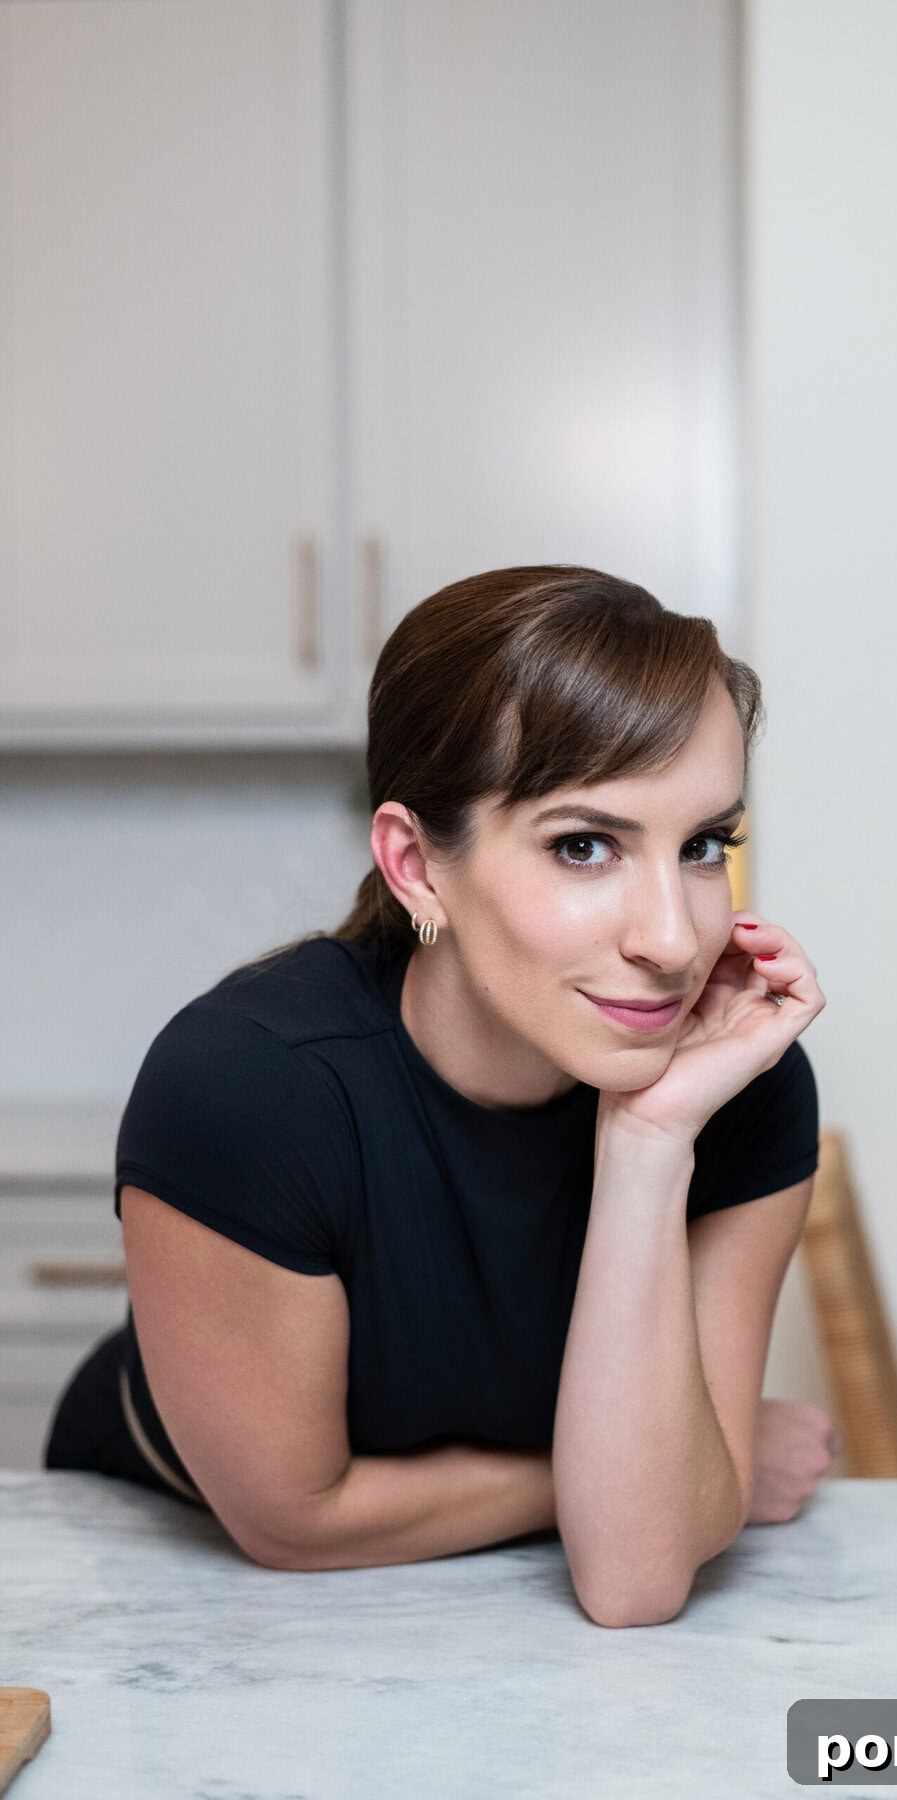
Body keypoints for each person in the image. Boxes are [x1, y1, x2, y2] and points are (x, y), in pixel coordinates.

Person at [44, 564, 838, 1628]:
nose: (670, 939)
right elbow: (294, 1523)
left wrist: (651, 1141)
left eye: (702, 846)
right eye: (584, 846)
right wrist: (676, 1478)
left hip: (504, 1607)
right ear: (416, 865)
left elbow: (638, 1579)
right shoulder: (249, 1084)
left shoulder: (733, 1087)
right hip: (177, 1583)